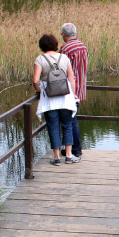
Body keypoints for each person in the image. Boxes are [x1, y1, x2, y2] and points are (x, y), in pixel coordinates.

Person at [33, 33, 81, 165]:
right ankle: (69, 155)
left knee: (53, 126)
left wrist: (39, 90)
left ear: (41, 46)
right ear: (55, 44)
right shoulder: (64, 57)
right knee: (67, 125)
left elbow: (35, 80)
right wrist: (74, 93)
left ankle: (56, 157)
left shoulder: (40, 59)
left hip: (49, 99)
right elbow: (71, 78)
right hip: (65, 97)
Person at [60, 23, 88, 158]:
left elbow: (60, 70)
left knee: (70, 120)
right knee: (72, 118)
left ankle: (75, 149)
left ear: (64, 34)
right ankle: (74, 148)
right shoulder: (83, 46)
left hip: (69, 90)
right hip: (80, 88)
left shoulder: (65, 49)